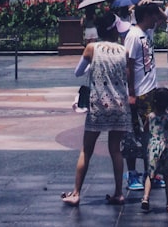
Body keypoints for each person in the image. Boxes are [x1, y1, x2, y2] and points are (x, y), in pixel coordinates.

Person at [62, 13, 131, 207]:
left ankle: (76, 193)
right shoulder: (123, 51)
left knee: (87, 149)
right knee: (116, 150)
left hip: (98, 105)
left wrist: (92, 64)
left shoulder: (92, 48)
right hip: (120, 104)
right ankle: (119, 193)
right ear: (114, 30)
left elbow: (78, 72)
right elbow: (126, 77)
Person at [123, 1, 165, 191]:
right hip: (138, 93)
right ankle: (132, 174)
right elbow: (128, 66)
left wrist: (152, 4)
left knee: (151, 135)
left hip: (151, 91)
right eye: (153, 14)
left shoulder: (147, 32)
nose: (156, 18)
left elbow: (166, 19)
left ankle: (151, 173)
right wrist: (131, 94)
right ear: (147, 16)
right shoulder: (133, 36)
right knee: (132, 135)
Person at [141, 87, 168, 214]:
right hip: (166, 147)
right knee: (167, 176)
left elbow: (145, 130)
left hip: (153, 147)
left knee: (150, 175)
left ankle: (146, 198)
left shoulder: (150, 116)